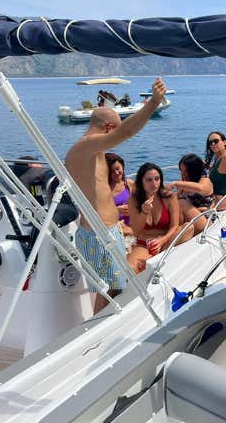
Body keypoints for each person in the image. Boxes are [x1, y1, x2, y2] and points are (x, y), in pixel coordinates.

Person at [65, 77, 167, 314]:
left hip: (107, 231)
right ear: (110, 128)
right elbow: (127, 131)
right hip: (99, 235)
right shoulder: (85, 146)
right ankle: (98, 330)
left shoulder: (93, 151)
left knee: (115, 290)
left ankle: (104, 325)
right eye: (114, 131)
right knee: (108, 293)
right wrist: (153, 103)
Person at [127, 163, 191, 274]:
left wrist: (162, 241)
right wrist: (144, 212)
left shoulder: (169, 197)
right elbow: (136, 231)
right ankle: (156, 260)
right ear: (141, 182)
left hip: (166, 241)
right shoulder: (134, 200)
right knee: (131, 269)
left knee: (189, 228)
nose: (154, 183)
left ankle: (156, 258)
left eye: (157, 179)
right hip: (144, 244)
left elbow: (174, 226)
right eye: (149, 180)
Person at [170, 154, 214, 235]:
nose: (183, 174)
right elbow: (174, 199)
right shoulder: (185, 183)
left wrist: (175, 183)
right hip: (190, 221)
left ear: (194, 170)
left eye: (186, 171)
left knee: (181, 203)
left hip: (205, 220)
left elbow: (201, 188)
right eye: (181, 171)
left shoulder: (205, 181)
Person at [105, 152, 134, 237]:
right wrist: (116, 211)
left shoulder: (129, 184)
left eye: (118, 168)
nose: (116, 172)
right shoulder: (104, 190)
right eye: (112, 171)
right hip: (115, 230)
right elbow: (99, 215)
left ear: (123, 167)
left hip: (132, 226)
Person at [205, 131, 226, 210]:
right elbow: (221, 172)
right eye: (210, 143)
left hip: (220, 205)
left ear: (224, 142)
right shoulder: (218, 157)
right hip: (213, 202)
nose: (213, 144)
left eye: (216, 141)